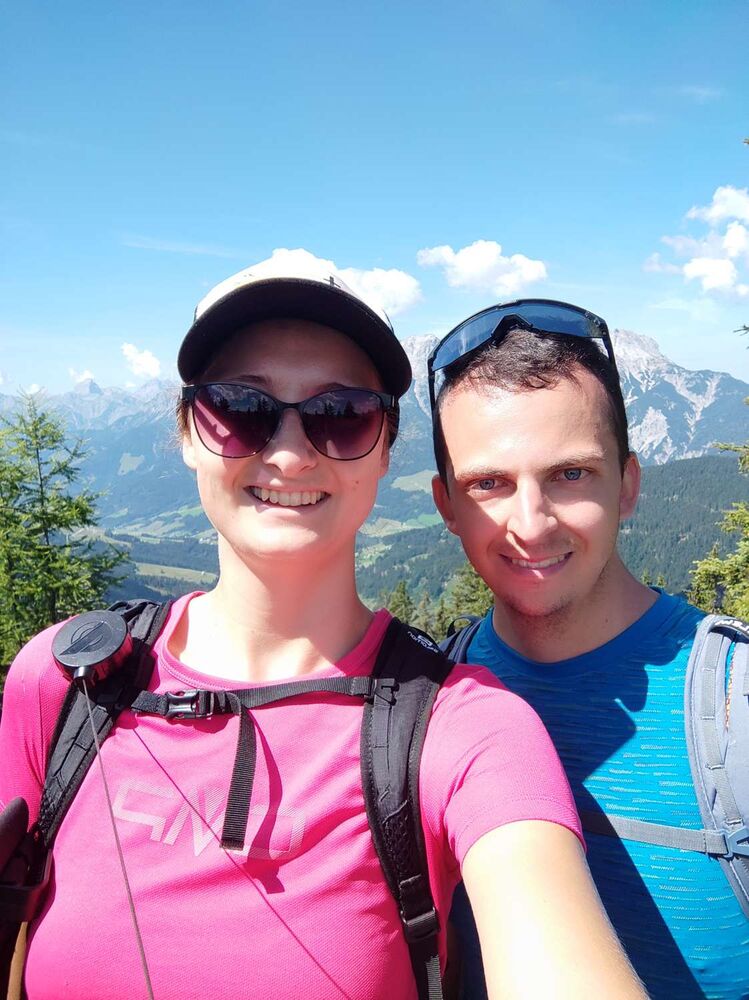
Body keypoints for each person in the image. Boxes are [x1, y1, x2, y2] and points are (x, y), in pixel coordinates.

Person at [0, 262, 645, 1000]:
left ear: (386, 448)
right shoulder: (68, 681)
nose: (288, 453)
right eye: (239, 407)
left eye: (342, 414)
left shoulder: (464, 728)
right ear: (187, 432)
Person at [428, 299, 749, 1000]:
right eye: (488, 484)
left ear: (628, 485)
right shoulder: (427, 704)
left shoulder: (732, 705)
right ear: (446, 505)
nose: (530, 523)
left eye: (569, 474)